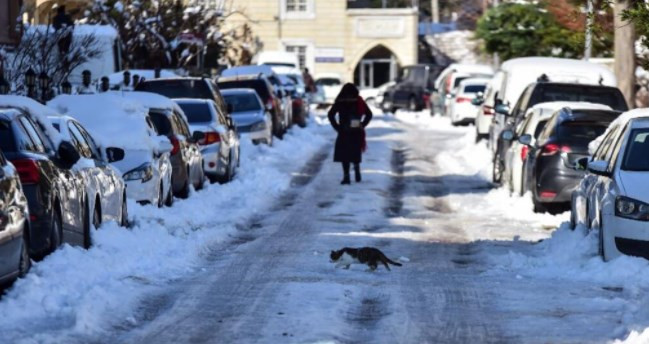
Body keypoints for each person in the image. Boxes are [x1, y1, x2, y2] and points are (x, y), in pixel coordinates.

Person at [328, 83, 372, 185]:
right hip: (355, 129)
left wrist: (337, 127)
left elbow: (331, 114)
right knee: (354, 152)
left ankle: (346, 177)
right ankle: (356, 171)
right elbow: (369, 114)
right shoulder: (358, 101)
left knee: (345, 155)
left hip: (343, 130)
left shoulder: (340, 101)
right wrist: (362, 124)